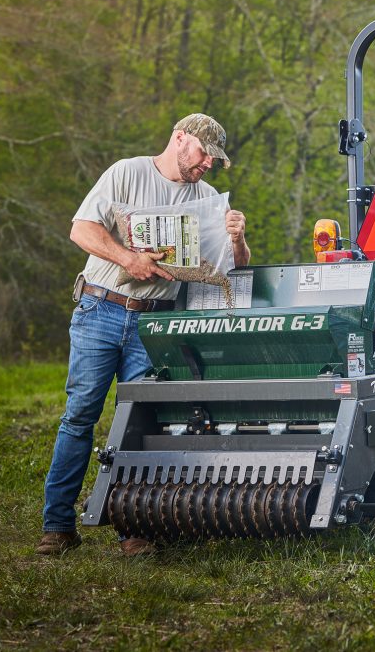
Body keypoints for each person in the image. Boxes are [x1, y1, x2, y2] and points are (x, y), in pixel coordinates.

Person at [36, 113, 250, 556]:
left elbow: (233, 270)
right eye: (204, 154)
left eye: (214, 159)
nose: (207, 165)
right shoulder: (126, 173)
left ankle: (133, 530)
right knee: (80, 416)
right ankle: (57, 527)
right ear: (179, 139)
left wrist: (237, 240)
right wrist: (128, 258)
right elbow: (82, 230)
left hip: (155, 322)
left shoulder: (207, 198)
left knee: (139, 423)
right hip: (102, 308)